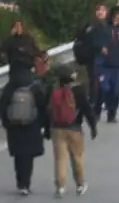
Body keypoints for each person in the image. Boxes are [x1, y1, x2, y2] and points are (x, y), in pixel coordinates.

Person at [47, 66, 95, 198]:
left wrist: (47, 129)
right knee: (77, 158)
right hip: (75, 129)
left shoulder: (54, 91)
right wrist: (93, 127)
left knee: (60, 159)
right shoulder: (78, 91)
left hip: (57, 129)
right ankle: (80, 184)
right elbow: (87, 110)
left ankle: (61, 186)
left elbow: (48, 112)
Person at [0, 68, 46, 196]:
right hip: (32, 126)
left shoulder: (10, 87)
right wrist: (44, 125)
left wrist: (6, 123)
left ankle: (20, 182)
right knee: (28, 157)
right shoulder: (35, 87)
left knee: (18, 156)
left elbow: (2, 107)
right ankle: (26, 183)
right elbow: (43, 107)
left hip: (14, 127)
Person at [92, 7, 119, 121]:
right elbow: (94, 41)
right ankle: (96, 111)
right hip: (103, 66)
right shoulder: (104, 29)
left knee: (115, 92)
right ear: (115, 16)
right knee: (103, 89)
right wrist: (101, 48)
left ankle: (112, 114)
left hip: (115, 66)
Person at [71, 7, 107, 116]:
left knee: (96, 80)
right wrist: (100, 47)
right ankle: (94, 103)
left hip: (98, 58)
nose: (101, 13)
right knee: (95, 81)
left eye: (103, 10)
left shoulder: (102, 24)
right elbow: (87, 39)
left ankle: (95, 101)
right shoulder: (92, 25)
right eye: (98, 10)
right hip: (93, 57)